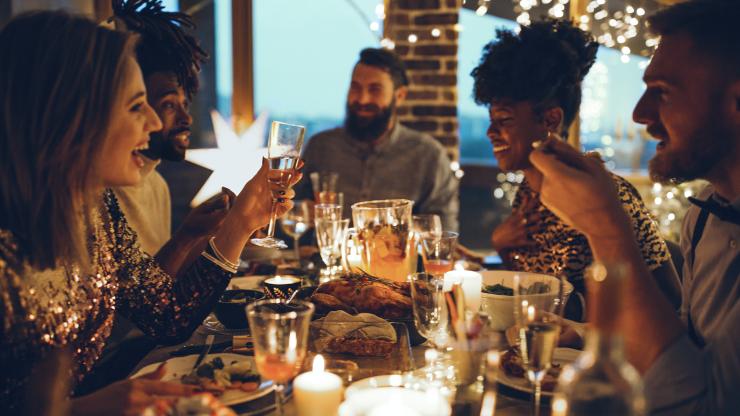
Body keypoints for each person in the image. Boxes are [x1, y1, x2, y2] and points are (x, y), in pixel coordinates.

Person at [0, 11, 298, 414]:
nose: (155, 122)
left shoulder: (96, 209)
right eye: (137, 106)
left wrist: (242, 221)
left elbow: (167, 316)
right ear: (72, 114)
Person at [526, 1, 740, 414]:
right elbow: (681, 346)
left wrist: (606, 227)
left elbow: (698, 407)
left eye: (662, 92)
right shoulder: (703, 217)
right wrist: (590, 336)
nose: (640, 114)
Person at [471, 19, 681, 310]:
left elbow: (671, 302)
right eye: (492, 121)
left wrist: (581, 324)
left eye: (504, 120)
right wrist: (502, 245)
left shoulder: (609, 195)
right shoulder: (528, 194)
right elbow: (533, 290)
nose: (491, 133)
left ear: (550, 121)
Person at [111, 0, 225, 276]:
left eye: (185, 104)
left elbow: (162, 287)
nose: (187, 119)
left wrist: (203, 233)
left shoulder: (156, 185)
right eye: (169, 105)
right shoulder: (106, 194)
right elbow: (141, 310)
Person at [295, 47, 459, 231]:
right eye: (355, 87)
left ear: (400, 96)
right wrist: (301, 211)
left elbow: (443, 231)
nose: (362, 99)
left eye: (375, 90)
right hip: (323, 257)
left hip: (395, 258)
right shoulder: (321, 146)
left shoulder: (428, 155)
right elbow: (289, 212)